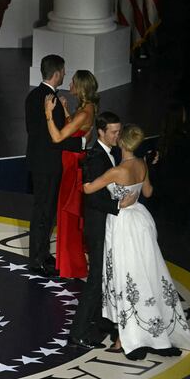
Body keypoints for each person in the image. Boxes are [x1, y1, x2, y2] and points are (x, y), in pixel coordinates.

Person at [83, 124, 190, 357]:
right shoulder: (141, 165)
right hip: (142, 222)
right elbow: (147, 193)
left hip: (123, 224)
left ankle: (126, 335)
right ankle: (144, 327)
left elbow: (88, 189)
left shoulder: (118, 171)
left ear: (121, 142)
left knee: (124, 275)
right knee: (145, 272)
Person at [68, 112, 125, 350]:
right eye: (113, 132)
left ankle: (101, 320)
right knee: (95, 278)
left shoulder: (116, 153)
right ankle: (78, 332)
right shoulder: (94, 158)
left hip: (108, 225)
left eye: (119, 131)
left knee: (105, 276)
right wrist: (120, 206)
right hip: (98, 226)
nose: (117, 136)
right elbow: (92, 199)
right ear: (100, 132)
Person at [25, 54, 85, 277]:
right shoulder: (50, 100)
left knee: (43, 211)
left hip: (38, 162)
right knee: (44, 212)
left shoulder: (32, 96)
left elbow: (35, 132)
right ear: (57, 73)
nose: (65, 75)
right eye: (64, 71)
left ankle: (42, 254)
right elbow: (55, 137)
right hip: (49, 165)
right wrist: (81, 142)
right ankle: (37, 259)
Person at [44, 69, 98, 279]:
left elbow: (58, 138)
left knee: (67, 217)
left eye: (74, 82)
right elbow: (77, 130)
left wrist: (49, 114)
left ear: (81, 87)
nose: (70, 85)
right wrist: (67, 112)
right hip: (73, 164)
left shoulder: (84, 112)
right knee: (70, 217)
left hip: (71, 170)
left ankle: (71, 267)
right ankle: (70, 263)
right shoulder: (87, 108)